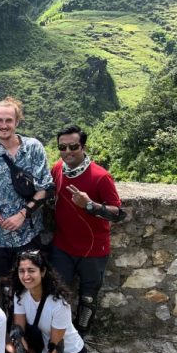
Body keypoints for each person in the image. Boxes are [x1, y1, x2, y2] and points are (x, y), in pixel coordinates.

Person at [0, 97, 54, 310]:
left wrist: (22, 215)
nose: (3, 125)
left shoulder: (33, 147)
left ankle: (30, 331)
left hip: (27, 232)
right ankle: (12, 331)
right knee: (5, 286)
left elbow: (45, 188)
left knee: (31, 283)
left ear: (17, 121)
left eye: (8, 120)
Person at [50, 125, 125, 336]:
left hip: (93, 249)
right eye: (62, 147)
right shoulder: (57, 169)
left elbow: (118, 213)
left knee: (87, 298)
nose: (67, 152)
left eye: (73, 146)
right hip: (62, 246)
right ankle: (58, 336)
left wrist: (90, 205)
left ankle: (81, 336)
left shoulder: (100, 176)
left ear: (83, 146)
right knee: (58, 293)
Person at [0, 251, 90, 353]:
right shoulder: (21, 295)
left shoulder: (59, 304)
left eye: (31, 270)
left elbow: (56, 347)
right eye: (21, 270)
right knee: (9, 352)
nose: (26, 276)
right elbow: (19, 334)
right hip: (44, 352)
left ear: (43, 272)